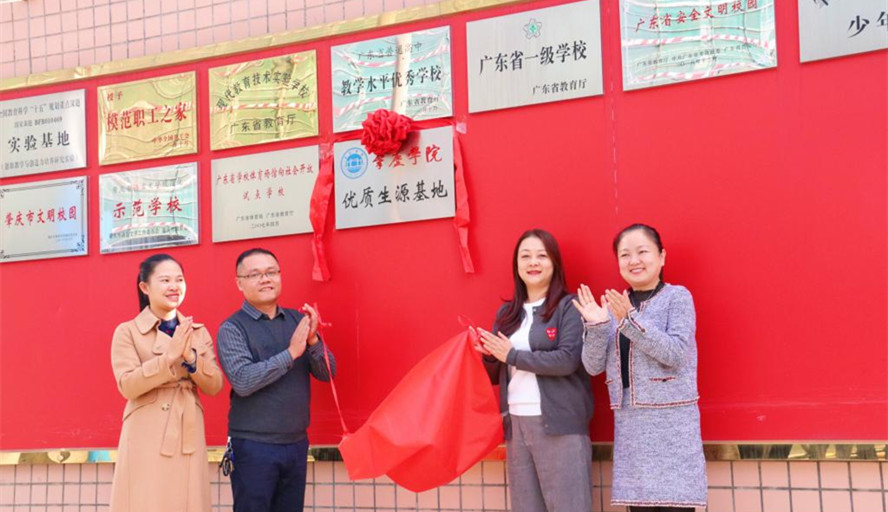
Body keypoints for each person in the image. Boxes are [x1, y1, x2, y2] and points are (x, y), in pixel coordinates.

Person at [576, 224, 707, 511]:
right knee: (639, 506)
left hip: (672, 424)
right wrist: (597, 327)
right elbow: (592, 366)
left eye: (642, 251)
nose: (633, 260)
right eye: (625, 254)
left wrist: (629, 320)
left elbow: (675, 353)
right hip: (631, 424)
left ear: (661, 256)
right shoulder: (613, 306)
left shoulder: (678, 297)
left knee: (674, 505)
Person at [473, 229, 593, 512]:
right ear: (517, 265)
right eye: (525, 256)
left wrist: (511, 355)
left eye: (542, 255)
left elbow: (567, 360)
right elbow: (497, 375)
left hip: (560, 424)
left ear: (554, 263)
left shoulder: (569, 307)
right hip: (516, 424)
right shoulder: (507, 314)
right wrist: (490, 357)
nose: (533, 262)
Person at [217, 247, 337, 512]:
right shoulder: (232, 328)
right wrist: (291, 353)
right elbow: (243, 381)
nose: (265, 279)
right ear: (239, 283)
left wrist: (313, 341)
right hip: (253, 445)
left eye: (271, 272)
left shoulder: (297, 321)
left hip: (295, 443)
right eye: (255, 274)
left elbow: (328, 372)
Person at [110, 254, 224, 512]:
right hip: (145, 430)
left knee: (188, 499)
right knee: (146, 500)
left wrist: (191, 358)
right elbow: (127, 385)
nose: (174, 286)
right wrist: (168, 358)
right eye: (165, 280)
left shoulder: (197, 332)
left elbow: (215, 385)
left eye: (179, 280)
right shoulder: (127, 331)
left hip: (188, 425)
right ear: (145, 287)